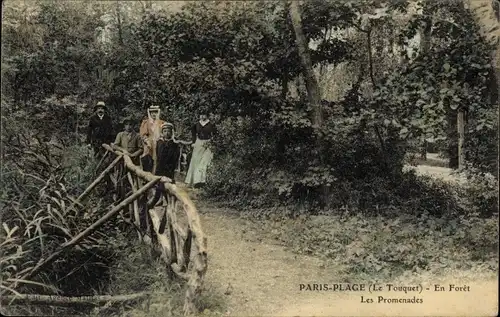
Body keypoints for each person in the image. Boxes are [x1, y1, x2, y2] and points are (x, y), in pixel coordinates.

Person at [149, 122, 180, 208]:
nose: (167, 133)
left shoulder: (174, 144)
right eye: (165, 131)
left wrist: (171, 167)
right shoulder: (160, 143)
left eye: (169, 131)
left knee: (169, 185)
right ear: (162, 132)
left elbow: (175, 158)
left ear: (171, 132)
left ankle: (169, 202)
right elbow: (159, 155)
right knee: (159, 185)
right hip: (160, 168)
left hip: (169, 168)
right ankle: (157, 200)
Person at [185, 112, 215, 188]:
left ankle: (203, 182)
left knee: (205, 162)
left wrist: (212, 142)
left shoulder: (211, 125)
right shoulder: (197, 124)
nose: (202, 116)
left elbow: (214, 134)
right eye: (201, 114)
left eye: (204, 114)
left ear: (207, 115)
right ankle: (194, 181)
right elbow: (193, 134)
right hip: (198, 143)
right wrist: (193, 142)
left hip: (208, 144)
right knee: (195, 161)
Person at [139, 106, 165, 173]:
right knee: (148, 158)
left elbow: (164, 133)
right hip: (149, 143)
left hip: (159, 143)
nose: (154, 114)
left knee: (159, 160)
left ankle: (157, 175)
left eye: (155, 112)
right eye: (152, 112)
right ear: (150, 113)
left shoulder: (161, 123)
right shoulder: (146, 122)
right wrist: (147, 141)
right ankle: (147, 174)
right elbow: (143, 134)